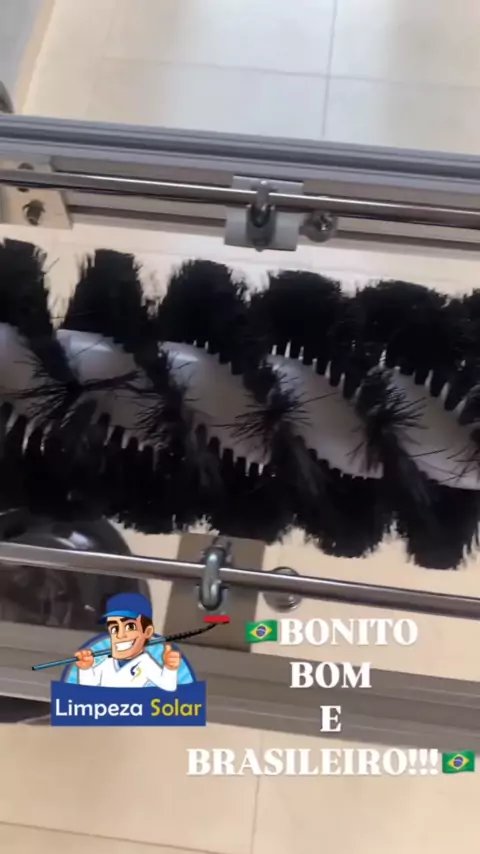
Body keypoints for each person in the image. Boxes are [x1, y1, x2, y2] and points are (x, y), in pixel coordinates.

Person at [74, 592, 181, 690]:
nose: (120, 635)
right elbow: (88, 686)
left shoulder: (145, 663)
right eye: (114, 628)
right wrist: (85, 668)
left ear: (147, 632)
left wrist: (170, 668)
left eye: (130, 627)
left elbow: (168, 687)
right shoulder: (108, 662)